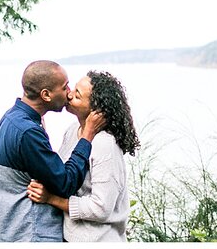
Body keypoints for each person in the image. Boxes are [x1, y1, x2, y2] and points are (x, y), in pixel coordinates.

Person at [0, 60, 107, 242]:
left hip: (10, 233)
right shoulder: (28, 132)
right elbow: (66, 184)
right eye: (65, 86)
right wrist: (87, 136)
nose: (69, 93)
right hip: (31, 235)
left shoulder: (12, 118)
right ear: (46, 95)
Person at [27, 70, 140, 242]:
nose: (69, 95)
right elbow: (64, 174)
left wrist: (51, 199)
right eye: (73, 88)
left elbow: (101, 207)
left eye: (77, 96)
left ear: (96, 112)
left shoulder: (104, 144)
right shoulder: (72, 131)